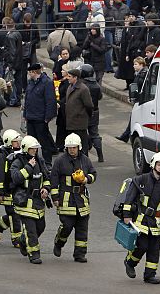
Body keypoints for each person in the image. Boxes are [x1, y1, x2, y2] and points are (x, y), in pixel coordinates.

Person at [122, 152, 160, 285]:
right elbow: (129, 198)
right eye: (159, 165)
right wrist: (126, 216)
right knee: (141, 246)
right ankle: (130, 263)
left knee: (154, 250)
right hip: (141, 221)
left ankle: (150, 275)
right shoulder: (140, 180)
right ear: (153, 165)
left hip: (156, 223)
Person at [50, 133, 97, 263]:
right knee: (67, 226)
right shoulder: (60, 161)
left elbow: (93, 174)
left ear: (79, 147)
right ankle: (59, 243)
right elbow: (53, 179)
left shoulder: (85, 160)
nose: (72, 149)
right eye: (69, 147)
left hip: (81, 199)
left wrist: (86, 179)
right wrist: (55, 197)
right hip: (66, 199)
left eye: (74, 147)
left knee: (82, 228)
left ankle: (80, 254)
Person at [10, 135, 51, 264]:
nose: (35, 151)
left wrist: (45, 188)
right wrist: (28, 167)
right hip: (25, 200)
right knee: (31, 230)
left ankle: (23, 241)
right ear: (26, 149)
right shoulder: (18, 161)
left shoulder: (40, 161)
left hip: (38, 201)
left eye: (36, 149)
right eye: (32, 149)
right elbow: (16, 178)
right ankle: (34, 254)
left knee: (41, 227)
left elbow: (46, 176)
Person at [0, 129, 24, 249]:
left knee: (15, 214)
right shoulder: (1, 156)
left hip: (16, 189)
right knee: (14, 215)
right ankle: (17, 239)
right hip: (6, 191)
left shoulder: (17, 153)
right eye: (15, 142)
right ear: (9, 142)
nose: (18, 144)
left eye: (19, 141)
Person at [23, 63, 57, 165]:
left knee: (44, 142)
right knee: (31, 143)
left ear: (34, 72)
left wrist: (47, 117)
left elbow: (50, 101)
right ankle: (33, 161)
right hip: (31, 117)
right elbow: (27, 99)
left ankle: (47, 162)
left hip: (40, 118)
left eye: (30, 72)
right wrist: (25, 114)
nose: (29, 74)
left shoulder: (46, 83)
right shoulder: (31, 83)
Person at [63, 67, 93, 153]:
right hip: (71, 121)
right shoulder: (70, 87)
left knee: (82, 145)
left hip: (79, 122)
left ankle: (84, 163)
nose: (67, 78)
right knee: (72, 144)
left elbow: (89, 105)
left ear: (75, 77)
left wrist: (85, 115)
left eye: (69, 76)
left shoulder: (83, 89)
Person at [81, 64, 104, 162]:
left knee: (83, 132)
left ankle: (85, 156)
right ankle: (100, 155)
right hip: (95, 111)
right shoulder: (96, 85)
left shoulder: (82, 85)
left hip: (84, 111)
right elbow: (100, 97)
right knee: (94, 133)